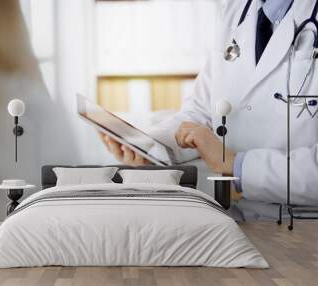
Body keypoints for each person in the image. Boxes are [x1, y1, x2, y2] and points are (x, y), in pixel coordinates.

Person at [100, 0, 318, 208]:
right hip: (235, 212)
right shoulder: (235, 9)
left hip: (304, 223)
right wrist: (148, 146)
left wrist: (235, 164)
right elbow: (201, 111)